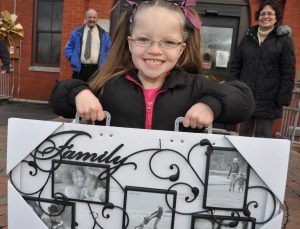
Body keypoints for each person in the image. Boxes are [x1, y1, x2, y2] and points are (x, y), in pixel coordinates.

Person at [51, 0, 255, 132]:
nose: (155, 50)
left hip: (175, 191)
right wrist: (79, 93)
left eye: (168, 42)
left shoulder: (194, 86)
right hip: (116, 191)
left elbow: (244, 99)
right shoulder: (109, 85)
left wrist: (211, 105)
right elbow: (58, 97)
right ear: (130, 43)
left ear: (181, 48)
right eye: (144, 39)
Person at [229, 0, 296, 138]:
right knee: (243, 138)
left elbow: (288, 71)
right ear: (258, 16)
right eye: (262, 13)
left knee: (263, 139)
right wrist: (234, 88)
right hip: (246, 96)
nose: (266, 16)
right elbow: (236, 65)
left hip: (269, 99)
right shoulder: (248, 38)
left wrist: (283, 97)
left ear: (276, 17)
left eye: (270, 13)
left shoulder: (283, 40)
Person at [64, 8, 111, 82]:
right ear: (85, 18)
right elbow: (68, 48)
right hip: (79, 70)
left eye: (94, 17)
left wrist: (104, 64)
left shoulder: (104, 34)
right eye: (89, 17)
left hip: (96, 71)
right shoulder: (76, 32)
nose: (92, 19)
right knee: (78, 91)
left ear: (97, 19)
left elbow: (108, 51)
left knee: (93, 92)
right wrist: (73, 58)